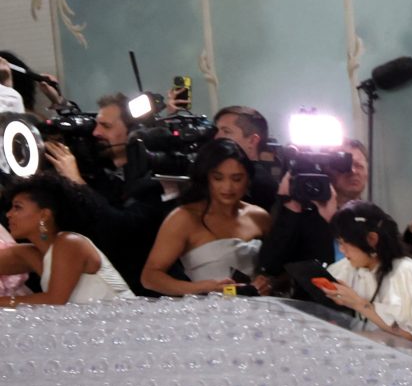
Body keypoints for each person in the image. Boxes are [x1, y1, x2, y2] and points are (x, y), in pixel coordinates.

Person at [39, 94, 165, 289]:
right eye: (96, 125)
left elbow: (122, 229)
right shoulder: (94, 170)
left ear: (133, 134)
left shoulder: (152, 180)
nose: (96, 133)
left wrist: (78, 183)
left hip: (136, 288)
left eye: (106, 126)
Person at [138, 139, 267, 296]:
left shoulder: (259, 216)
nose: (228, 187)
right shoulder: (183, 218)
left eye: (237, 179)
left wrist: (270, 283)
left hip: (261, 311)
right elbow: (150, 277)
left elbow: (280, 269)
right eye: (218, 178)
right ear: (206, 178)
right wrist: (203, 288)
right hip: (208, 311)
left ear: (248, 179)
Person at [0, 175, 134, 304]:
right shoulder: (34, 253)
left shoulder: (70, 242)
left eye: (18, 207)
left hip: (127, 322)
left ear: (44, 215)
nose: (9, 214)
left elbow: (54, 300)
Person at [322, 201, 412, 345]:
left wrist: (359, 304)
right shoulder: (349, 267)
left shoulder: (404, 271)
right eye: (339, 243)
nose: (342, 250)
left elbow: (411, 335)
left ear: (372, 239)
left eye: (345, 243)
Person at [257, 140, 367, 286]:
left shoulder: (373, 218)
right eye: (345, 165)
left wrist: (333, 220)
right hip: (315, 305)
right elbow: (269, 266)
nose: (353, 171)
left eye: (359, 165)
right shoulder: (306, 219)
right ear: (327, 171)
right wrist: (291, 209)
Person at [210, 105, 282, 211]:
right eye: (217, 131)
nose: (216, 137)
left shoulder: (259, 184)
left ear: (252, 140)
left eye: (226, 131)